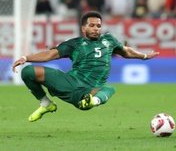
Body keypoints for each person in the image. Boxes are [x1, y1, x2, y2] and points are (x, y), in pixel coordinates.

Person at [12, 11, 159, 122]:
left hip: (91, 89)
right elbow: (50, 55)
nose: (96, 28)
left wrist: (144, 56)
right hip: (70, 82)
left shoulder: (109, 40)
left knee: (110, 88)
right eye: (92, 25)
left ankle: (90, 101)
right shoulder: (74, 43)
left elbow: (126, 51)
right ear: (83, 28)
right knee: (28, 72)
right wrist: (26, 58)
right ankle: (46, 103)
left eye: (98, 26)